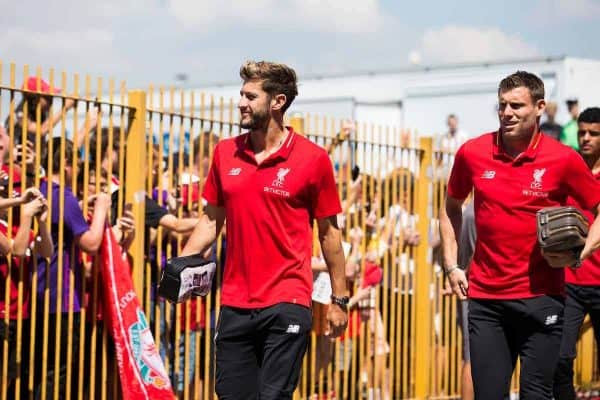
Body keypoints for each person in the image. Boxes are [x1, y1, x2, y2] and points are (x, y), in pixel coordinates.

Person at [180, 60, 348, 400]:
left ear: (278, 102)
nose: (241, 102)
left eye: (250, 96)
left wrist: (339, 299)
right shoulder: (225, 153)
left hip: (288, 299)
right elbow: (211, 220)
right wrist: (180, 264)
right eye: (240, 94)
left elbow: (330, 235)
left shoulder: (313, 159)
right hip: (235, 302)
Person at [440, 71, 600, 399]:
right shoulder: (472, 152)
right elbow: (451, 205)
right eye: (501, 106)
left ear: (539, 106)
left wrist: (579, 254)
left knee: (536, 393)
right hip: (486, 300)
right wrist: (452, 264)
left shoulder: (563, 158)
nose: (507, 113)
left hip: (543, 298)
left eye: (516, 105)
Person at [554, 107, 600, 400]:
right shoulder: (568, 170)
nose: (585, 138)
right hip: (568, 281)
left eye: (593, 134)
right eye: (581, 132)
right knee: (559, 358)